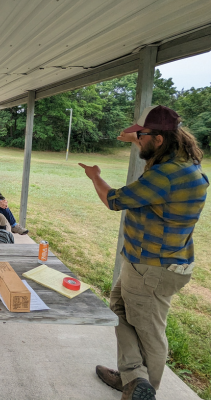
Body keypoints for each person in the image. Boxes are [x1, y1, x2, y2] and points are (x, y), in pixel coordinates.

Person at [80, 105, 208, 399]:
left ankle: (142, 389)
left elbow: (114, 200)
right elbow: (127, 136)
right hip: (150, 263)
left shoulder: (165, 176)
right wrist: (137, 134)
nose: (135, 140)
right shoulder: (181, 164)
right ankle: (132, 376)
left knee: (149, 331)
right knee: (119, 308)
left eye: (142, 136)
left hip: (152, 267)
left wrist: (95, 176)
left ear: (160, 139)